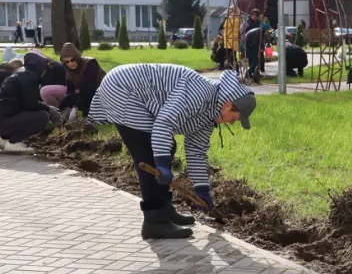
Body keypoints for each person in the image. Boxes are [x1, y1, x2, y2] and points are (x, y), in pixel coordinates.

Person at [88, 64, 257, 240]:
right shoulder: (200, 93)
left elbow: (196, 151)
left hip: (136, 94)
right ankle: (155, 222)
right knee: (149, 154)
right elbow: (165, 122)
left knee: (166, 148)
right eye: (234, 118)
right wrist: (161, 163)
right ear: (228, 105)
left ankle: (165, 211)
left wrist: (202, 189)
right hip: (124, 88)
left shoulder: (209, 115)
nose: (232, 123)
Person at [0, 52, 64, 151]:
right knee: (43, 116)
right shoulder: (30, 77)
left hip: (4, 116)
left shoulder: (19, 73)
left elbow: (23, 102)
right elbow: (30, 103)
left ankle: (4, 139)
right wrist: (49, 109)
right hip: (5, 120)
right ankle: (12, 142)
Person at [59, 42, 106, 122]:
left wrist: (76, 107)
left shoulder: (90, 64)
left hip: (101, 91)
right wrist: (65, 106)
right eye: (67, 62)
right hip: (86, 92)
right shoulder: (69, 70)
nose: (70, 63)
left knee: (84, 98)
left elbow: (89, 88)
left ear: (77, 57)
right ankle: (59, 116)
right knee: (68, 98)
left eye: (72, 60)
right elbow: (70, 91)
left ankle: (86, 118)